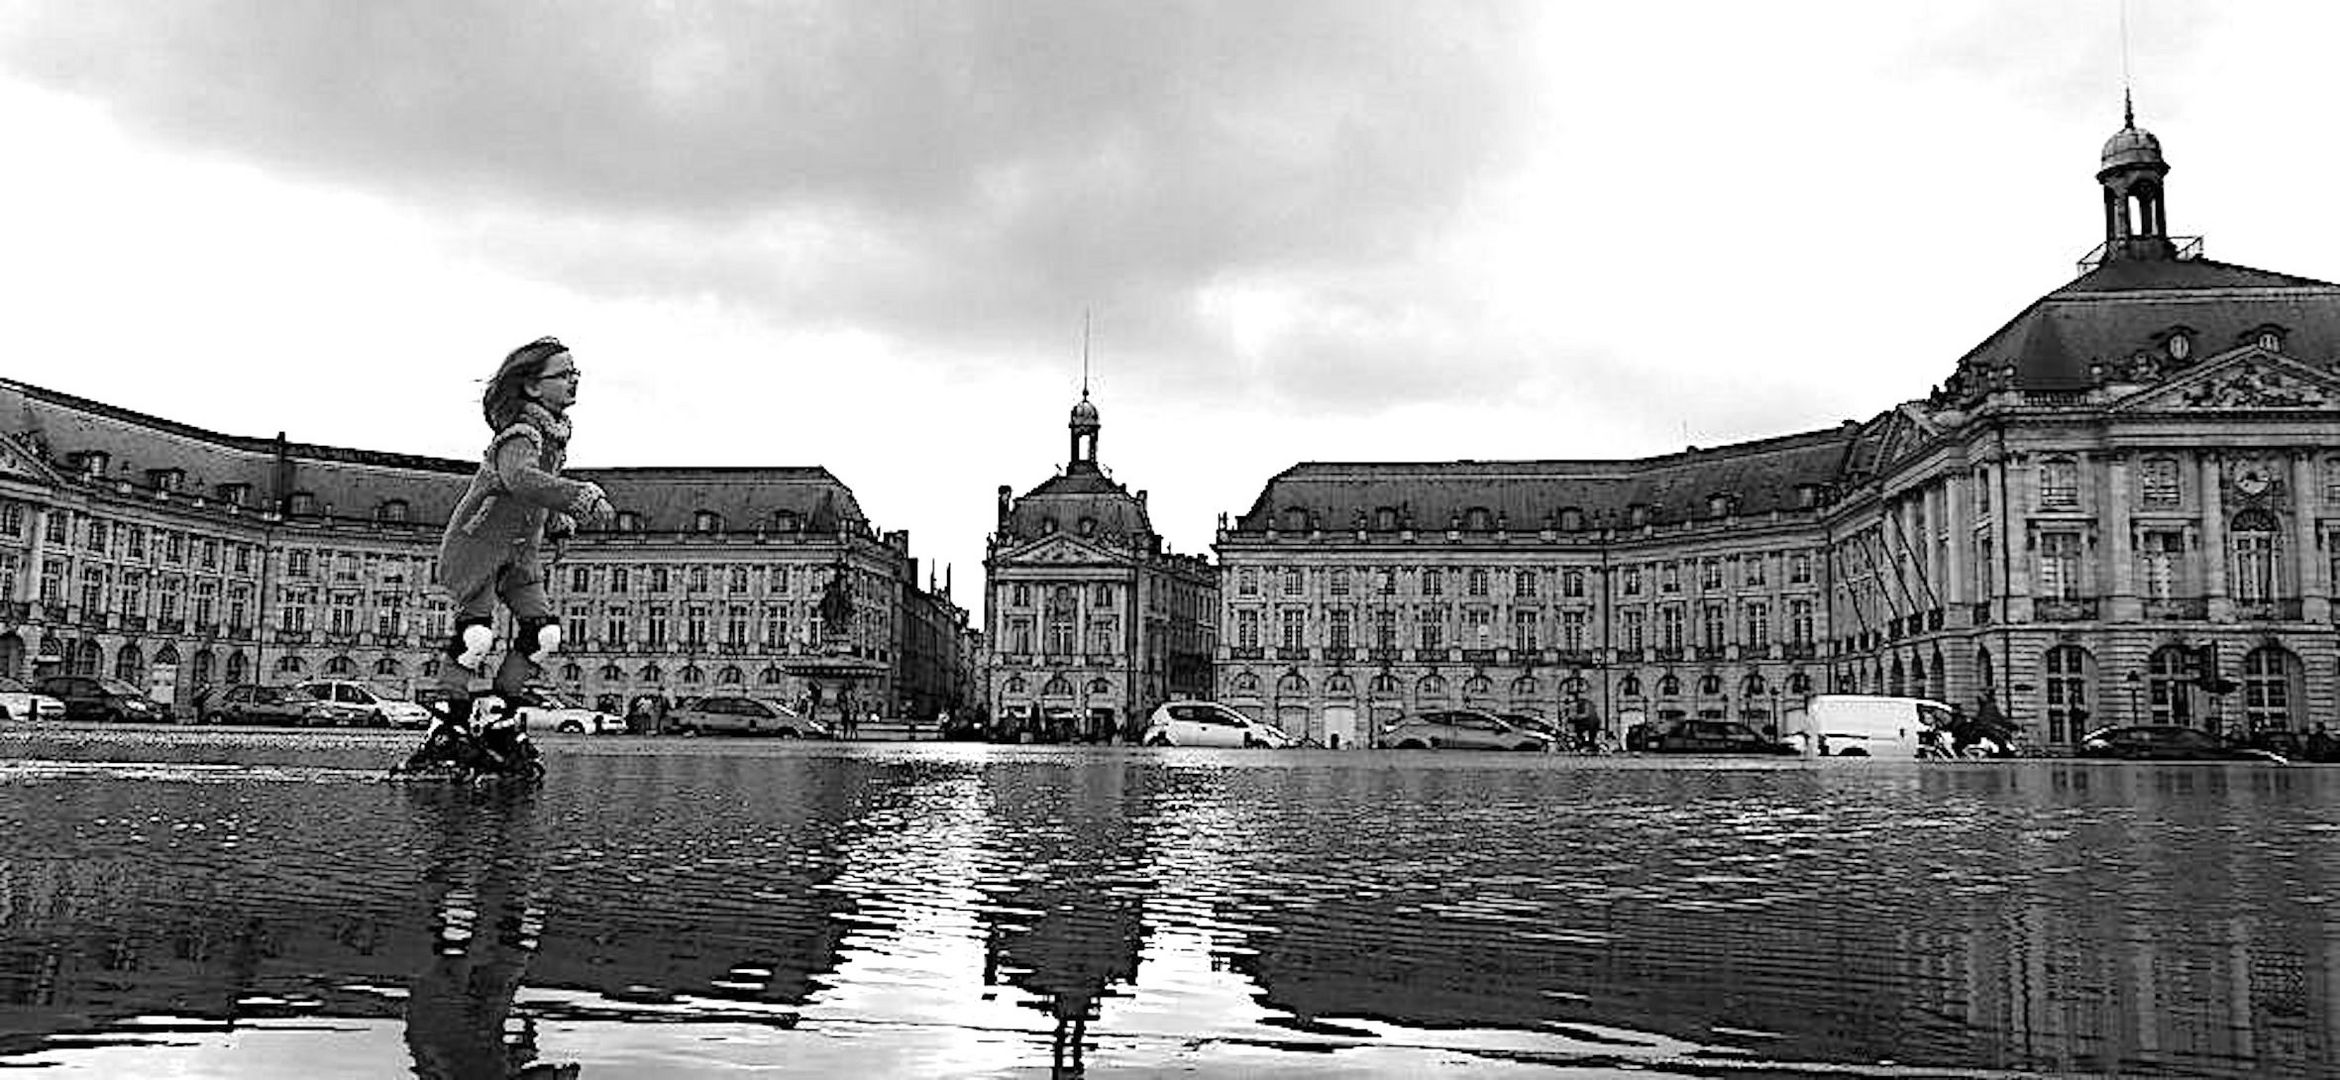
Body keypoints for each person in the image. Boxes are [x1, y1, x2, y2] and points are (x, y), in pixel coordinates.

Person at [413, 337, 613, 764]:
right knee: (478, 636)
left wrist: (556, 521)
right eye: (564, 375)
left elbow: (532, 495)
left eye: (576, 373)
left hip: (520, 553)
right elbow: (519, 479)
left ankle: (500, 712)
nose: (574, 381)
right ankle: (446, 721)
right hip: (479, 545)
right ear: (532, 388)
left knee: (545, 635)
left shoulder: (553, 438)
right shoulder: (520, 434)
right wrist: (577, 497)